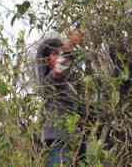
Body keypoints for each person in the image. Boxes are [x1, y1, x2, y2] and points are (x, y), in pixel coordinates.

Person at [36, 29, 86, 167]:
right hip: (58, 141)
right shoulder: (48, 82)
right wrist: (69, 45)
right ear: (47, 61)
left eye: (60, 52)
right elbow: (60, 70)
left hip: (75, 140)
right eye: (54, 53)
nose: (59, 56)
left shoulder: (72, 84)